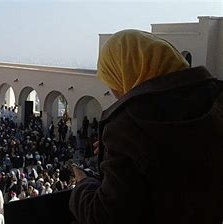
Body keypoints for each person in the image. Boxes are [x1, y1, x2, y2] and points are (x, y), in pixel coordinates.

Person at [70, 30, 223, 224]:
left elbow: (105, 215)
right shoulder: (215, 101)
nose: (116, 92)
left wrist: (84, 184)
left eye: (113, 82)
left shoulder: (129, 126)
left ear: (128, 72)